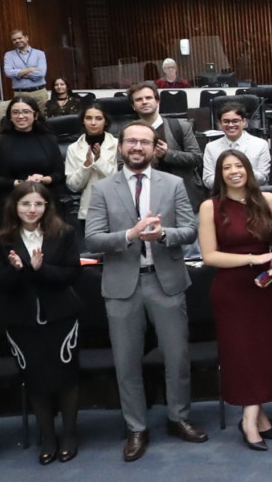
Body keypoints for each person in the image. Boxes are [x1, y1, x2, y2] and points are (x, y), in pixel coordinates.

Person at [82, 121, 205, 462]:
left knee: (177, 357)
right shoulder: (104, 189)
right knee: (126, 362)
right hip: (122, 285)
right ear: (121, 146)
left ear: (155, 148)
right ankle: (136, 427)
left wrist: (163, 235)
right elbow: (92, 239)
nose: (138, 147)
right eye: (132, 141)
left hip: (165, 281)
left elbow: (190, 230)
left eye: (145, 142)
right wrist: (130, 235)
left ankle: (179, 418)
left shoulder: (174, 183)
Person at [0, 180, 83, 464]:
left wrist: (41, 269)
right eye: (25, 204)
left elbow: (71, 274)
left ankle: (70, 434)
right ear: (14, 206)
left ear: (47, 206)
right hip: (21, 320)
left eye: (38, 204)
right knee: (35, 379)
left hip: (61, 316)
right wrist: (18, 271)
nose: (32, 209)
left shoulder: (62, 233)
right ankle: (47, 436)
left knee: (66, 377)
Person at [197, 148, 272, 451]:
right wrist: (253, 258)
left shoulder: (269, 201)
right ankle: (250, 421)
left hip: (265, 288)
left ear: (248, 169)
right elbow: (209, 256)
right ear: (219, 174)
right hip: (232, 290)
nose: (234, 171)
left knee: (263, 352)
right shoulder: (210, 207)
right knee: (241, 354)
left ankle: (258, 417)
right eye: (226, 168)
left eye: (239, 165)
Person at [0, 95, 62, 226]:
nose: (20, 116)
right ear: (10, 117)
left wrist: (44, 180)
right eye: (15, 112)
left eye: (26, 112)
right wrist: (20, 183)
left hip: (44, 204)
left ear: (35, 115)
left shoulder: (49, 140)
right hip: (9, 206)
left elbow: (59, 175)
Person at [125, 83, 203, 197]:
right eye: (138, 99)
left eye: (148, 98)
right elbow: (122, 165)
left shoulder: (180, 126)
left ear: (157, 102)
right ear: (133, 106)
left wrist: (168, 154)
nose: (144, 102)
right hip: (146, 195)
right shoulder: (129, 132)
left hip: (182, 194)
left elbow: (197, 158)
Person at [62, 104, 121, 224]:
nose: (93, 123)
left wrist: (98, 160)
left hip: (117, 207)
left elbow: (119, 179)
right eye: (88, 118)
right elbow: (73, 185)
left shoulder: (118, 145)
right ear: (83, 121)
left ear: (106, 121)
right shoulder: (73, 148)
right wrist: (86, 165)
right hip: (89, 209)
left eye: (99, 118)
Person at [201, 101, 271, 185]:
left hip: (252, 194)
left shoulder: (261, 144)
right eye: (226, 121)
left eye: (235, 121)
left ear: (244, 121)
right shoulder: (211, 147)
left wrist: (238, 175)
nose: (230, 125)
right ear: (220, 123)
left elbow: (263, 177)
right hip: (223, 194)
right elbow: (208, 180)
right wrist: (231, 179)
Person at [2, 29, 47, 95]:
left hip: (39, 93)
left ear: (26, 38)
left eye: (19, 38)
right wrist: (30, 69)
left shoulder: (39, 53)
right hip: (20, 93)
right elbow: (8, 73)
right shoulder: (9, 55)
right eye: (14, 40)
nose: (17, 41)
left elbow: (41, 73)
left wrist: (18, 74)